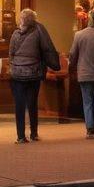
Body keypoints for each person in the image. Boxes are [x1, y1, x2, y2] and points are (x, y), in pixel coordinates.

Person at [7, 8, 60, 143]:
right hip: (33, 73)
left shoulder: (14, 34)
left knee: (19, 105)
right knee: (32, 103)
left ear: (22, 20)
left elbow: (11, 54)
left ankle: (20, 136)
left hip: (17, 75)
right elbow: (45, 50)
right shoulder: (37, 33)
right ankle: (34, 133)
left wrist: (15, 66)